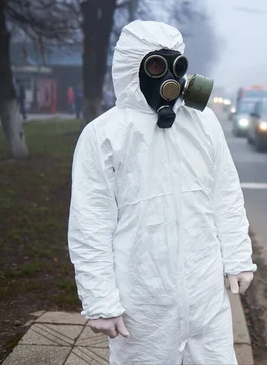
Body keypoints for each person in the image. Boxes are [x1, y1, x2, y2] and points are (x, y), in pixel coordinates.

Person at [68, 20, 256, 365]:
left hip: (205, 301)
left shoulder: (203, 122)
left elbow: (225, 195)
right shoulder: (104, 135)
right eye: (155, 65)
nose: (168, 76)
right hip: (144, 308)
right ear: (130, 69)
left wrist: (238, 258)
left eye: (175, 65)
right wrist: (100, 301)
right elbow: (90, 222)